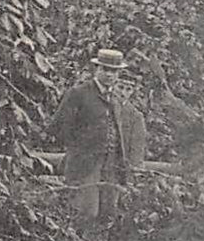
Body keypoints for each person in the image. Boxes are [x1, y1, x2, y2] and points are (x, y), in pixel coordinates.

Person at [48, 48, 147, 226]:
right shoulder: (79, 93)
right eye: (105, 69)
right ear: (97, 69)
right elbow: (58, 127)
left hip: (111, 167)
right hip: (85, 165)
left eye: (114, 71)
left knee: (108, 214)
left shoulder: (115, 99)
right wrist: (78, 149)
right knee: (86, 213)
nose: (110, 75)